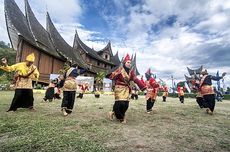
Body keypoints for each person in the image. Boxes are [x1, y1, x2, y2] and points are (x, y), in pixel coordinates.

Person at [108, 54, 146, 123]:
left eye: (130, 63)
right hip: (119, 88)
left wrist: (143, 87)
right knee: (120, 103)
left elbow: (136, 80)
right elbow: (112, 76)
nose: (129, 64)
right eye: (128, 62)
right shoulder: (120, 70)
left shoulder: (131, 73)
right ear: (124, 63)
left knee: (126, 104)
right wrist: (114, 75)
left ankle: (113, 112)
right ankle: (121, 117)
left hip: (126, 89)